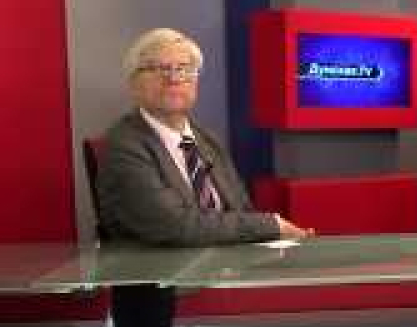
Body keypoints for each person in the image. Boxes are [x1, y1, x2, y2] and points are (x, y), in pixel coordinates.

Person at [97, 28, 313, 246]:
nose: (173, 78)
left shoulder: (207, 141)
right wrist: (271, 226)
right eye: (159, 68)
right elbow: (175, 226)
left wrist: (274, 236)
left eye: (184, 69)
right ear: (134, 83)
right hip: (161, 266)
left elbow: (242, 211)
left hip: (228, 262)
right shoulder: (124, 146)